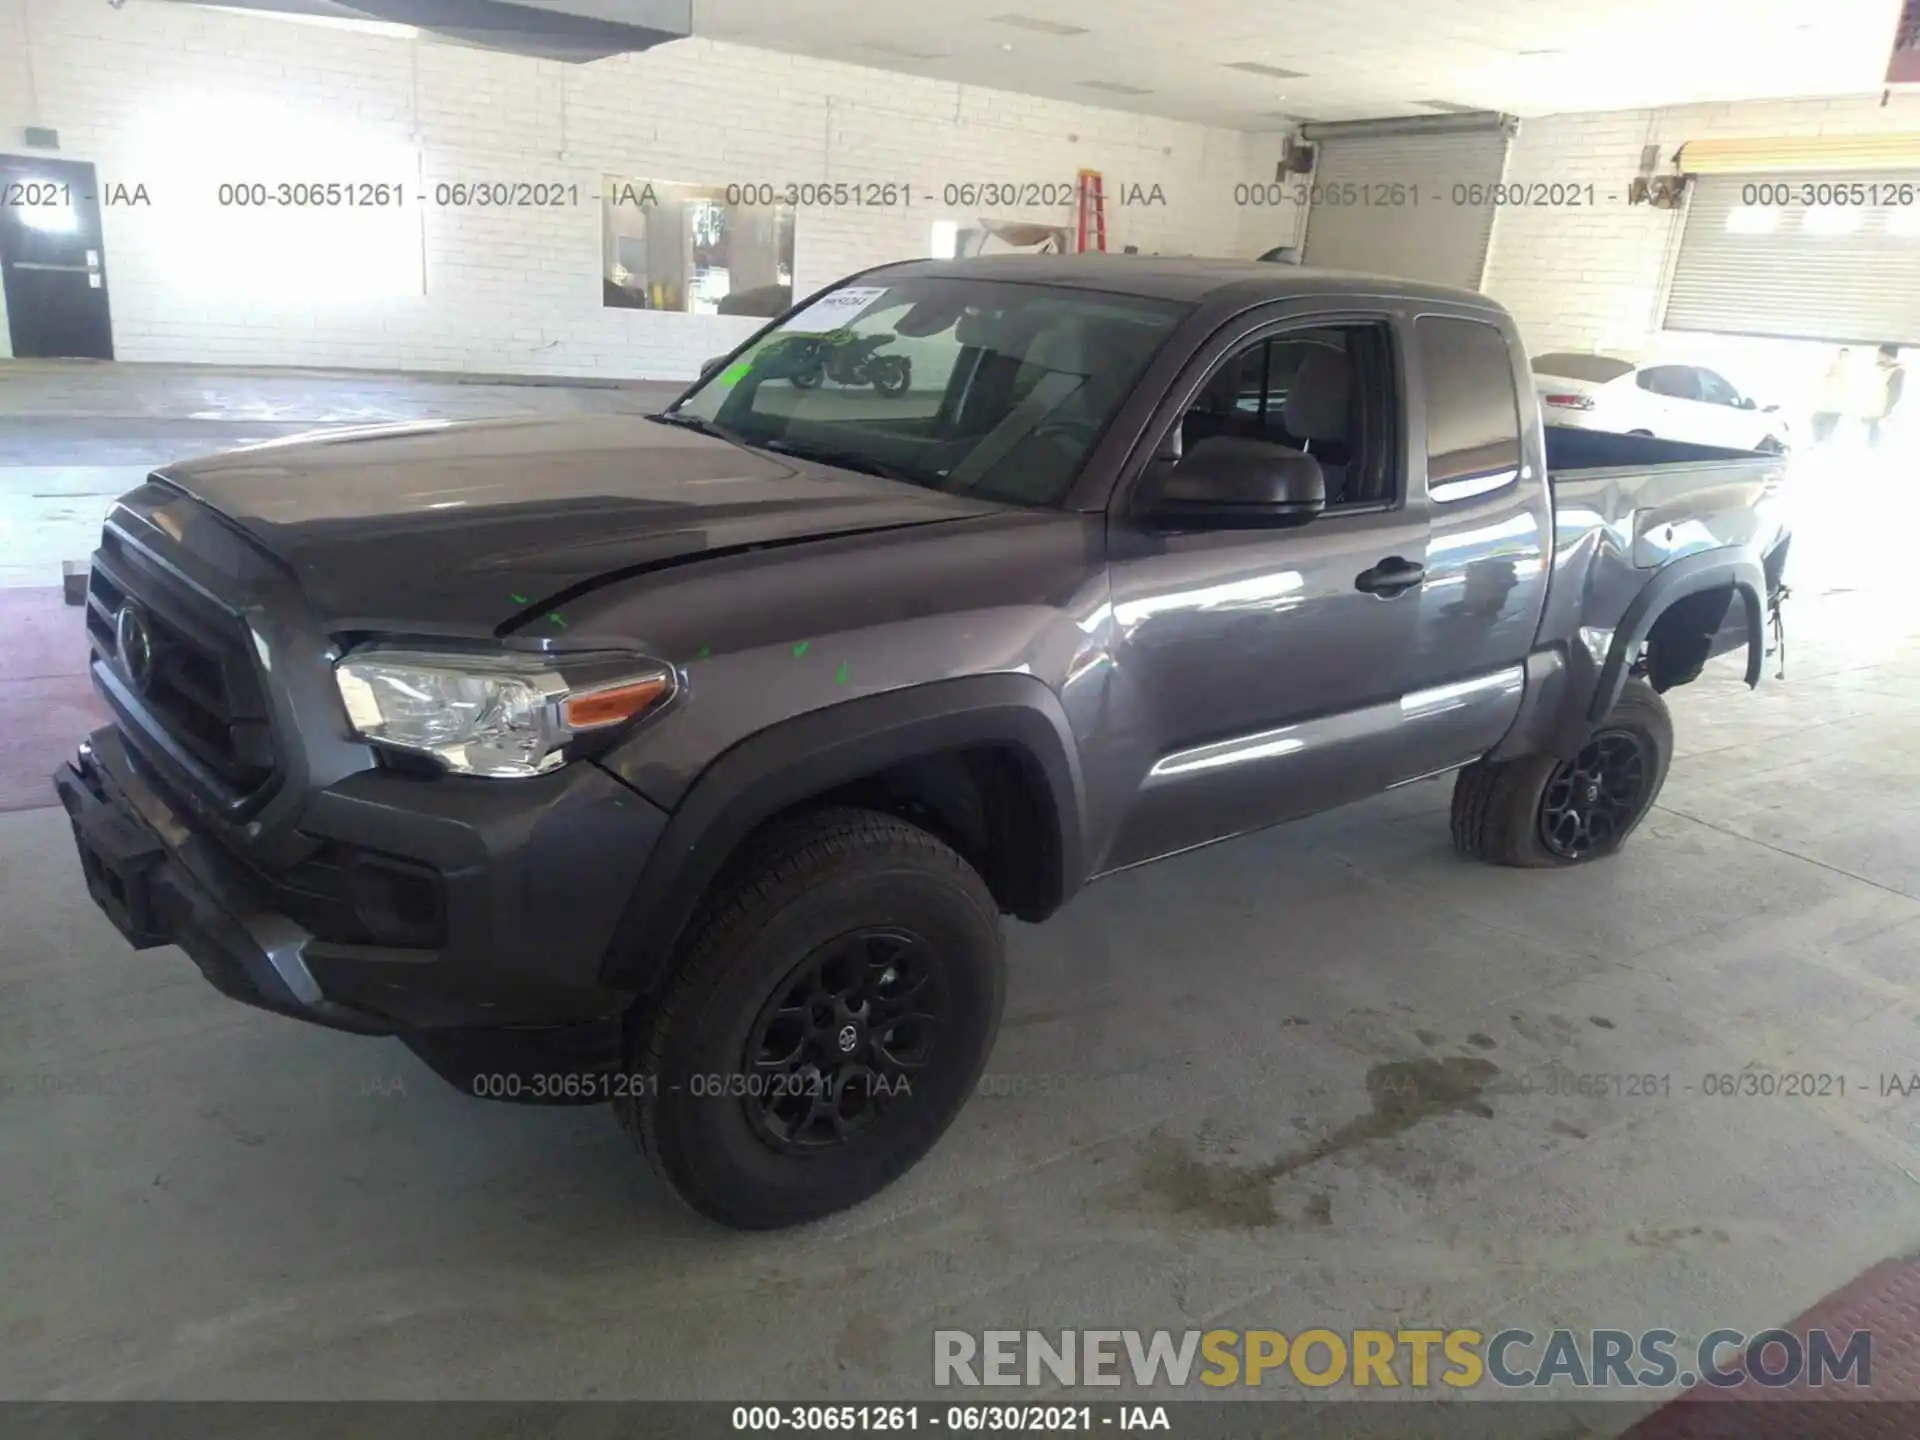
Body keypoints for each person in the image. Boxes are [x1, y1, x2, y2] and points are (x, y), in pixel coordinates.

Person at [1865, 344, 1906, 449]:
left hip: (1883, 411)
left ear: (1889, 357)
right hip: (1871, 408)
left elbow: (1895, 393)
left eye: (1881, 354)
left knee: (1877, 439)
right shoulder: (1876, 369)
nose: (1878, 356)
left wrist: (1887, 411)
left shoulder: (1897, 372)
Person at [1810, 348, 1852, 444]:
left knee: (1828, 428)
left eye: (1846, 356)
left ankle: (1824, 444)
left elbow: (1848, 390)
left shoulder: (1848, 372)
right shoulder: (1833, 369)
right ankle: (1819, 442)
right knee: (1816, 422)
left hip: (1835, 408)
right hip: (1826, 406)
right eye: (1842, 355)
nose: (1844, 358)